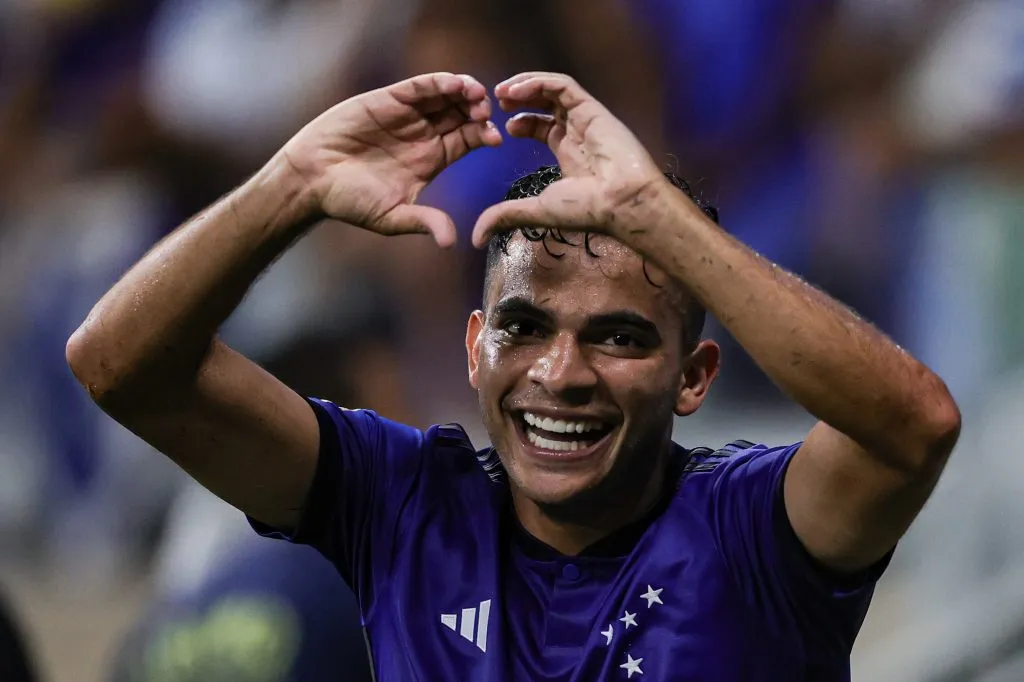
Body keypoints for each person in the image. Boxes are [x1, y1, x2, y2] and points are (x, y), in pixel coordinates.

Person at [66, 71, 961, 680]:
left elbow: (914, 426)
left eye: (619, 338)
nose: (561, 373)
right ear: (474, 348)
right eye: (523, 328)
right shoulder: (402, 505)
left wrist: (658, 218)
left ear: (694, 378)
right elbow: (118, 365)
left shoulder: (754, 529)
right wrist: (290, 186)